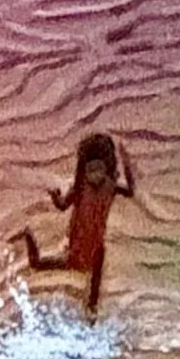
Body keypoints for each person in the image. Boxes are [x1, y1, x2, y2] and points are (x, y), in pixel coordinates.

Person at [20, 132, 136, 316]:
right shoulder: (80, 188)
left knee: (93, 288)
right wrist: (55, 196)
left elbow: (130, 191)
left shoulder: (111, 186)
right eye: (91, 169)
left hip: (96, 246)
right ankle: (27, 235)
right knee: (38, 264)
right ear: (84, 170)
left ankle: (92, 311)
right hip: (79, 246)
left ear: (107, 167)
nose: (95, 174)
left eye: (99, 168)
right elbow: (62, 206)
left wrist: (127, 163)